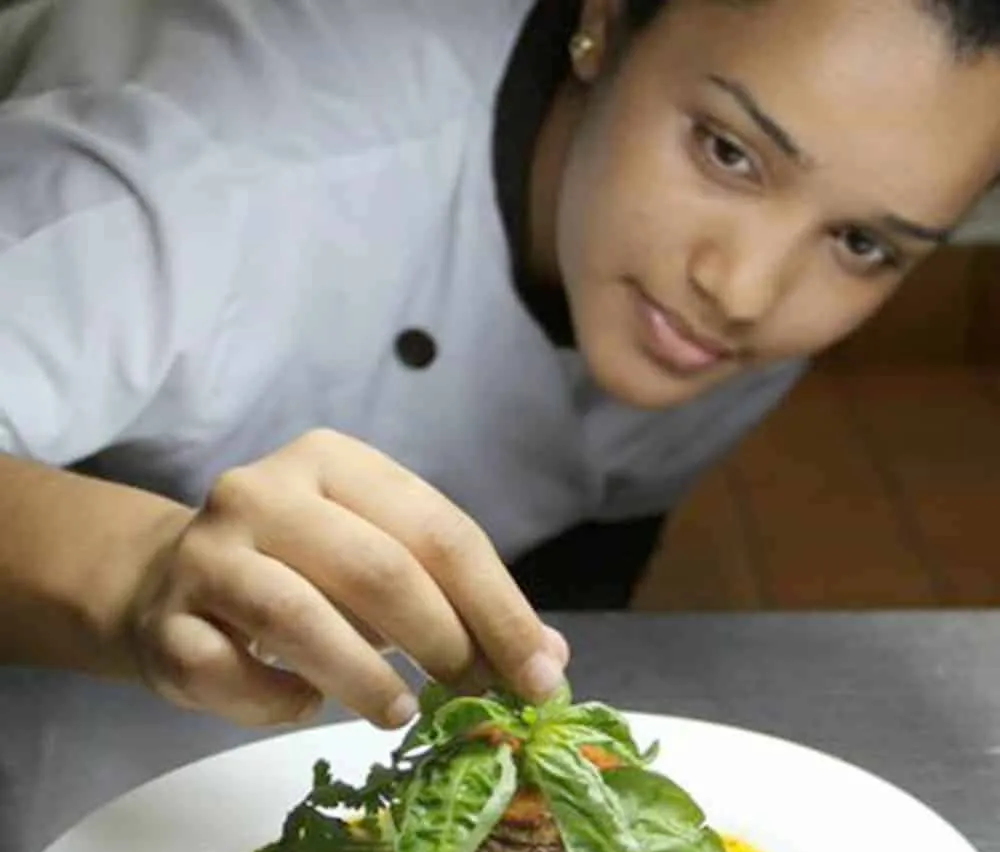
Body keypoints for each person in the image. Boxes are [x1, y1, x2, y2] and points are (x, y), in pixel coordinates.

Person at [0, 0, 998, 733]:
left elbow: (587, 560)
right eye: (728, 154)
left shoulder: (722, 295)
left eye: (864, 244)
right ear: (603, 22)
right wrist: (137, 577)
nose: (744, 291)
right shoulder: (200, 183)